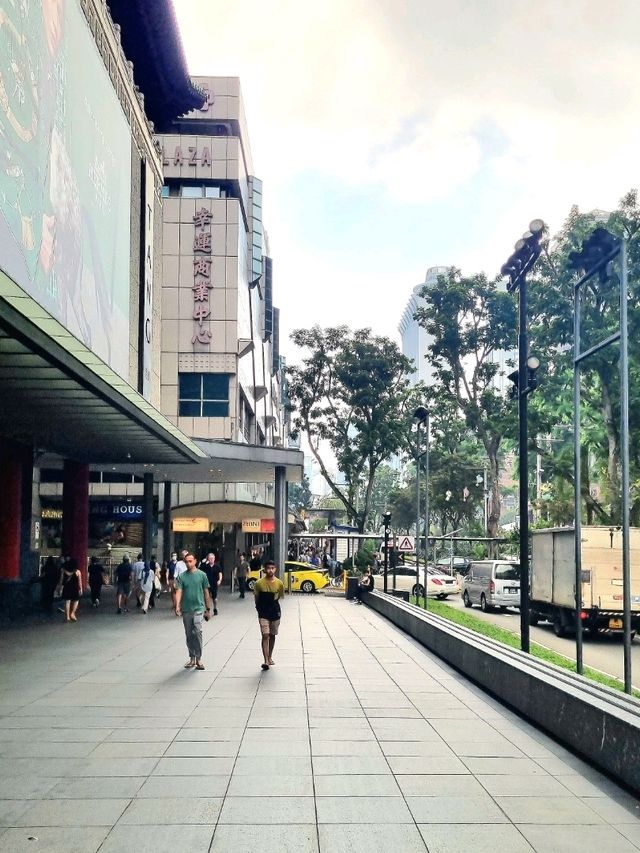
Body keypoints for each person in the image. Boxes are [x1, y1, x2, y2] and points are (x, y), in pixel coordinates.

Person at [174, 553, 213, 671]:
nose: (188, 563)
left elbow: (206, 592)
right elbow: (179, 591)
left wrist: (208, 609)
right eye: (186, 561)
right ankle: (192, 657)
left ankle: (199, 658)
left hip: (199, 608)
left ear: (195, 561)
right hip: (186, 609)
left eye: (190, 561)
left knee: (197, 631)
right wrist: (177, 605)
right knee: (189, 634)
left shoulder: (202, 575)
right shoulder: (182, 577)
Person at [254, 559, 285, 671]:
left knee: (272, 635)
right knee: (265, 634)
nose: (270, 570)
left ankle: (270, 656)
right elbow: (256, 597)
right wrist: (258, 608)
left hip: (275, 611)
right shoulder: (258, 583)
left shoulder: (279, 583)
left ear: (275, 569)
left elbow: (280, 597)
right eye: (268, 568)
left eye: (272, 568)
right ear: (264, 569)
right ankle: (266, 660)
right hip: (263, 611)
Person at [59, 558, 82, 622]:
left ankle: (67, 617)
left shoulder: (63, 571)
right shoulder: (77, 571)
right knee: (76, 600)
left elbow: (61, 580)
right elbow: (80, 581)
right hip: (75, 588)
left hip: (67, 587)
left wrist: (60, 588)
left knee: (67, 601)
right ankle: (72, 613)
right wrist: (81, 589)